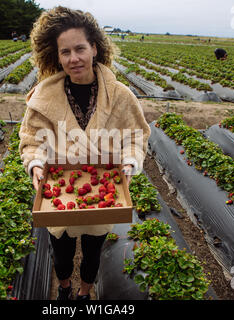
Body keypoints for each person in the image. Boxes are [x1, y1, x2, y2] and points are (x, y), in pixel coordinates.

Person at [19, 6, 150, 300]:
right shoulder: (44, 97)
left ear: (94, 48)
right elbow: (31, 140)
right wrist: (36, 165)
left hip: (103, 187)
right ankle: (64, 289)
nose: (73, 58)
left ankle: (84, 292)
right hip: (59, 189)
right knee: (61, 251)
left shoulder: (120, 96)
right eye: (65, 52)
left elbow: (135, 137)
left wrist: (129, 164)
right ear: (56, 55)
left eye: (80, 48)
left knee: (93, 251)